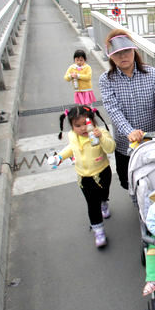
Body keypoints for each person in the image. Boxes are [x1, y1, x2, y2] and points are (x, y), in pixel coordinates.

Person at [99, 29, 155, 191]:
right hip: (126, 144)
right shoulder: (106, 80)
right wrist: (129, 131)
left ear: (134, 50)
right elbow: (113, 110)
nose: (123, 56)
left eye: (127, 51)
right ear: (111, 56)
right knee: (127, 182)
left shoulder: (151, 73)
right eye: (117, 53)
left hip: (153, 140)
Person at [47, 106, 115, 248]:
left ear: (93, 121)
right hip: (84, 177)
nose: (83, 128)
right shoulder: (73, 136)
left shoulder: (100, 133)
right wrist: (59, 157)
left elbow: (110, 148)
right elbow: (71, 148)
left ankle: (104, 202)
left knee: (103, 194)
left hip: (102, 173)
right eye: (77, 126)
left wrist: (101, 138)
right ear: (72, 126)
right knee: (92, 204)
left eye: (85, 123)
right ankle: (98, 230)